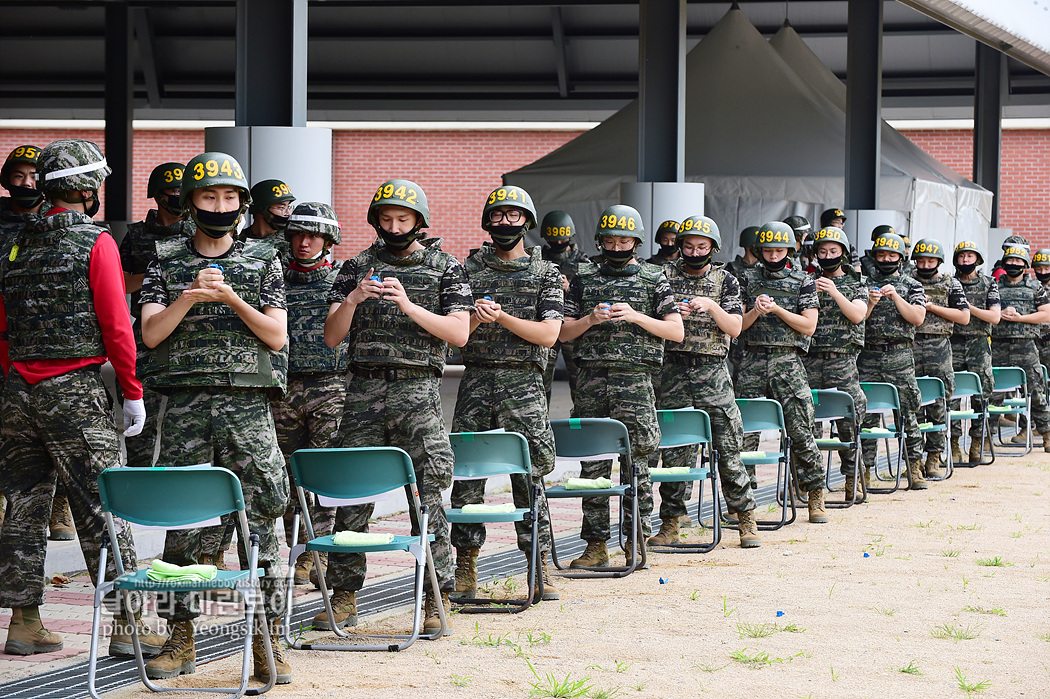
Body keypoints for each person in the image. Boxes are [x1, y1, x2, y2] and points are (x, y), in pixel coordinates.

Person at [0, 138, 163, 659]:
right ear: (89, 188)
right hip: (75, 392)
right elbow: (117, 325)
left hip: (17, 392)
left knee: (23, 507)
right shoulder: (97, 242)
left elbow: (3, 328)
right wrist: (132, 392)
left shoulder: (11, 245)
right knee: (100, 506)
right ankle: (129, 625)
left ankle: (24, 624)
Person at [138, 151, 292, 684]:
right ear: (190, 203)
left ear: (243, 204)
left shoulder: (264, 260)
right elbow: (152, 334)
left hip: (246, 408)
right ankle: (180, 638)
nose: (219, 206)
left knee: (262, 520)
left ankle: (265, 638)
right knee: (185, 521)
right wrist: (189, 296)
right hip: (182, 408)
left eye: (229, 197)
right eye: (209, 197)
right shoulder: (164, 259)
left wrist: (228, 297)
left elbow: (276, 336)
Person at [322, 179, 471, 634]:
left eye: (402, 220)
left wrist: (408, 304)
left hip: (418, 391)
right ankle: (344, 595)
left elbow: (459, 333)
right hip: (363, 390)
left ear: (419, 222)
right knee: (352, 497)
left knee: (428, 499)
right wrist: (352, 300)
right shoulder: (356, 266)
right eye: (385, 219)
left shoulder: (446, 268)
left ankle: (435, 597)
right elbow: (331, 336)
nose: (393, 227)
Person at [450, 185, 562, 601]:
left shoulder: (546, 273)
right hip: (476, 379)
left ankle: (540, 564)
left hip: (525, 383)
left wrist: (504, 317)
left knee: (529, 478)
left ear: (527, 222)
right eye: (498, 216)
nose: (505, 223)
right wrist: (477, 321)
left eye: (514, 217)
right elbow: (453, 341)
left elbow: (549, 335)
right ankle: (465, 565)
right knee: (467, 477)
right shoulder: (467, 270)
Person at [559, 205, 683, 568]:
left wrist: (636, 315)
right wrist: (589, 319)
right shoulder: (581, 276)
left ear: (637, 240)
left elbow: (676, 331)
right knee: (593, 466)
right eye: (610, 240)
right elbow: (562, 332)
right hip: (591, 380)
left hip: (636, 380)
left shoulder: (653, 278)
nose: (616, 246)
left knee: (638, 463)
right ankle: (595, 545)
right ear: (600, 241)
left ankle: (636, 541)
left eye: (624, 240)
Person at [647, 214, 760, 548]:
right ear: (679, 247)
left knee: (729, 447)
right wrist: (671, 314)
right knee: (675, 450)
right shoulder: (662, 276)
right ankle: (670, 523)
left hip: (712, 370)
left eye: (702, 246)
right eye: (688, 246)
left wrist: (710, 305)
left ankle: (745, 518)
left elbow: (735, 328)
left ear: (713, 247)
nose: (695, 251)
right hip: (672, 368)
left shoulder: (726, 281)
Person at [272, 202, 347, 589]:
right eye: (298, 234)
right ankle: (299, 554)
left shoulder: (341, 282)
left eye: (314, 236)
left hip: (330, 388)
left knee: (323, 477)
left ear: (328, 239)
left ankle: (321, 553)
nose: (304, 243)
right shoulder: (274, 279)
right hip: (283, 390)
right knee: (287, 477)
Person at [735, 221, 828, 523]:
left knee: (801, 430)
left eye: (779, 250)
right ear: (758, 250)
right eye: (768, 250)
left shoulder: (803, 280)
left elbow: (809, 326)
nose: (773, 255)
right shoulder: (743, 279)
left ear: (790, 250)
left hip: (788, 362)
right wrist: (755, 311)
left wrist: (776, 310)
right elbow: (737, 328)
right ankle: (744, 506)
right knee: (745, 435)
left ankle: (814, 493)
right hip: (751, 361)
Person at [120, 162, 195, 469]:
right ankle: (140, 484)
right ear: (157, 195)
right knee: (144, 415)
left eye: (182, 191)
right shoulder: (137, 235)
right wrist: (158, 275)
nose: (177, 197)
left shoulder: (197, 229)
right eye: (171, 191)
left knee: (189, 420)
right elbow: (121, 282)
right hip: (148, 331)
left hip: (190, 331)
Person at [0, 145, 47, 530]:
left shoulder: (55, 223)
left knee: (50, 429)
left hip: (44, 341)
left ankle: (58, 507)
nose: (27, 183)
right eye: (19, 176)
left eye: (34, 176)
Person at [858, 230, 928, 490]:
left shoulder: (912, 285)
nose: (886, 259)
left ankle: (915, 468)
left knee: (908, 412)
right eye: (881, 254)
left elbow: (917, 318)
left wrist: (897, 296)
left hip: (900, 355)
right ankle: (863, 470)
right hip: (869, 355)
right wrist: (871, 303)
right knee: (867, 415)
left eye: (891, 255)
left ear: (900, 258)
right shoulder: (863, 283)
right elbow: (857, 319)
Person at [806, 227, 869, 501]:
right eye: (822, 251)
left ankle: (853, 478)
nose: (828, 256)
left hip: (842, 361)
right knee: (808, 424)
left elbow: (858, 315)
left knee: (849, 421)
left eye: (833, 251)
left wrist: (834, 291)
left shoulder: (857, 284)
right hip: (810, 360)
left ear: (842, 253)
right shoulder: (806, 281)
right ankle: (810, 484)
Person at [910, 238, 970, 477]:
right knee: (912, 404)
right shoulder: (907, 281)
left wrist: (932, 307)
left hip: (939, 347)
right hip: (911, 346)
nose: (925, 264)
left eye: (930, 260)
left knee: (937, 404)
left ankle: (934, 456)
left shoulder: (950, 283)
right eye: (921, 260)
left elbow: (963, 317)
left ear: (939, 261)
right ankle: (912, 458)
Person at [988, 244, 1050, 450]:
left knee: (1037, 393)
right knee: (993, 394)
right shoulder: (994, 285)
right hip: (998, 346)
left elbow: (1046, 314)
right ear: (1004, 262)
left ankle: (1046, 432)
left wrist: (1021, 318)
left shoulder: (1035, 287)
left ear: (1025, 265)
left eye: (1018, 261)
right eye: (1010, 260)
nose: (1014, 264)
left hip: (1026, 347)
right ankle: (986, 438)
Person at [949, 241, 1000, 464]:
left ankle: (978, 442)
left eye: (970, 257)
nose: (966, 261)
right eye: (962, 257)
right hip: (953, 342)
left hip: (979, 343)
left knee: (982, 395)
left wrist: (967, 308)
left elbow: (995, 317)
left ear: (977, 260)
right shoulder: (949, 283)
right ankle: (953, 445)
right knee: (951, 396)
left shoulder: (989, 283)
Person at [539, 209, 588, 405]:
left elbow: (592, 296)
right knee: (541, 380)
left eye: (563, 239)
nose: (559, 243)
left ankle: (582, 422)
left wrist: (570, 289)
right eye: (554, 239)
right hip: (545, 323)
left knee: (580, 378)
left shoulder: (583, 262)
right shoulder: (538, 259)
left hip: (573, 326)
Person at [243, 178, 295, 261]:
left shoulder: (292, 241)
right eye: (282, 208)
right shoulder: (238, 240)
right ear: (261, 209)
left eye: (288, 207)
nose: (288, 213)